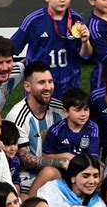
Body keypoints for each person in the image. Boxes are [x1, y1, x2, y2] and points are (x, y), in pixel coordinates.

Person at [11, 0, 92, 99]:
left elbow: (86, 56)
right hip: (39, 89)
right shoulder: (33, 20)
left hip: (69, 88)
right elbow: (13, 48)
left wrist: (86, 41)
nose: (62, 0)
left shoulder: (77, 20)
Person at [5, 61, 65, 196]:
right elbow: (25, 160)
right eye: (41, 82)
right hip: (27, 180)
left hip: (58, 175)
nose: (48, 87)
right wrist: (61, 162)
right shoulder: (17, 116)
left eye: (50, 81)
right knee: (50, 173)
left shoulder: (60, 109)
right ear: (27, 86)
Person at [43, 87, 100, 159]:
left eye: (86, 109)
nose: (83, 114)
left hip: (84, 167)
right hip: (61, 167)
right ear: (66, 112)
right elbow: (45, 155)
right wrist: (65, 156)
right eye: (78, 110)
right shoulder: (56, 130)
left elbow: (93, 157)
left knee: (96, 169)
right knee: (48, 170)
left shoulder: (93, 128)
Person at [0, 120, 22, 191]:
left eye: (15, 144)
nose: (13, 148)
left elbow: (16, 182)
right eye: (8, 144)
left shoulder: (15, 161)